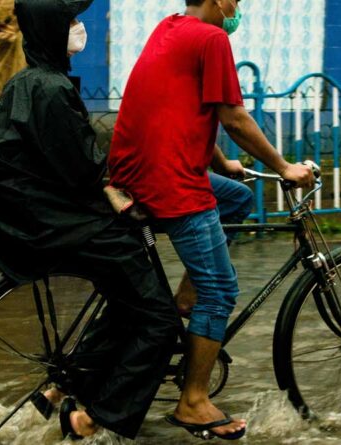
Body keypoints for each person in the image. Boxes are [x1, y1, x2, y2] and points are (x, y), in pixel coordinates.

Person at [0, 0, 179, 440]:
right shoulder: (50, 89)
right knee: (159, 317)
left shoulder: (27, 81)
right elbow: (84, 168)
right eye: (70, 20)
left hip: (27, 221)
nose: (78, 27)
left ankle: (65, 386)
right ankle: (93, 418)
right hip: (52, 225)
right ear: (51, 28)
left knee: (127, 301)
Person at [108, 0, 315, 440]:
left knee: (236, 198)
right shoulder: (212, 37)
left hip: (137, 168)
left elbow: (185, 107)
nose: (236, 7)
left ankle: (187, 298)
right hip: (169, 179)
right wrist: (284, 167)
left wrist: (221, 163)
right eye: (235, 0)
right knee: (221, 290)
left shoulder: (170, 28)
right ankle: (193, 402)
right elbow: (233, 117)